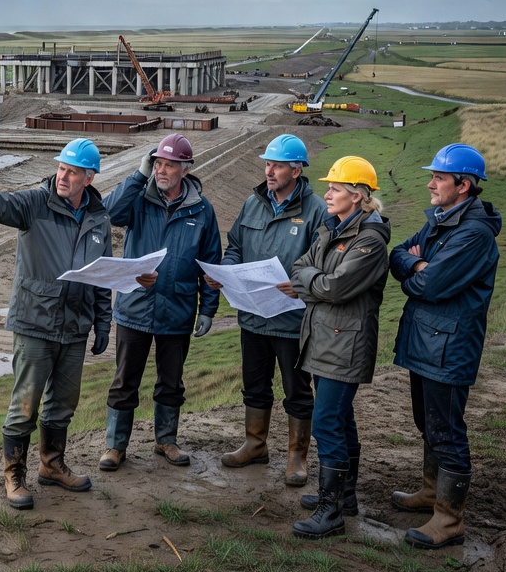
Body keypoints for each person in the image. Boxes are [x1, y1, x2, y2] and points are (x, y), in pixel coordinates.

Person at [0, 137, 112, 510]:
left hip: (75, 328)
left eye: (72, 172)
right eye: (61, 168)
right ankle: (14, 476)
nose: (63, 176)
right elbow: (0, 204)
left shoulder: (99, 219)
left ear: (89, 178)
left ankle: (52, 466)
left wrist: (102, 323)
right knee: (25, 404)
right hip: (35, 322)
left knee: (63, 404)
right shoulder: (36, 204)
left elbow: (103, 276)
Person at [389, 144, 500, 550]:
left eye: (439, 177)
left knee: (447, 430)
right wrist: (417, 264)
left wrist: (420, 270)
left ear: (464, 186)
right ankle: (431, 492)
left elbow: (429, 285)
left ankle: (450, 519)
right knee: (427, 422)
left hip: (449, 348)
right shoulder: (439, 220)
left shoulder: (473, 234)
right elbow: (397, 255)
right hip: (427, 342)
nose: (430, 183)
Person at [208, 134, 326, 486]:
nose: (268, 171)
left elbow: (321, 262)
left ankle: (297, 457)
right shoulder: (252, 203)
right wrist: (226, 273)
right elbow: (236, 247)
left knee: (297, 390)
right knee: (254, 385)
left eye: (276, 165)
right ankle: (255, 444)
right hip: (253, 316)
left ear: (296, 168)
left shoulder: (316, 210)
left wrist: (299, 282)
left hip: (292, 320)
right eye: (267, 164)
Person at [282, 155, 390, 540]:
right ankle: (345, 496)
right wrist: (316, 279)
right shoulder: (334, 228)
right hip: (326, 339)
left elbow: (337, 287)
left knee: (327, 421)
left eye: (336, 188)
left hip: (345, 344)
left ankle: (331, 511)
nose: (326, 193)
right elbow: (300, 269)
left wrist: (313, 281)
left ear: (358, 196)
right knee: (341, 420)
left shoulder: (370, 241)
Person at [100, 133, 221, 470]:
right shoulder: (138, 199)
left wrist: (208, 309)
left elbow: (210, 263)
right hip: (134, 308)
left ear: (185, 169)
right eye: (158, 164)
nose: (162, 170)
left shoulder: (202, 210)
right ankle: (115, 446)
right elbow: (107, 213)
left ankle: (166, 440)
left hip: (177, 309)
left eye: (169, 165)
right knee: (125, 380)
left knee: (171, 381)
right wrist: (138, 176)